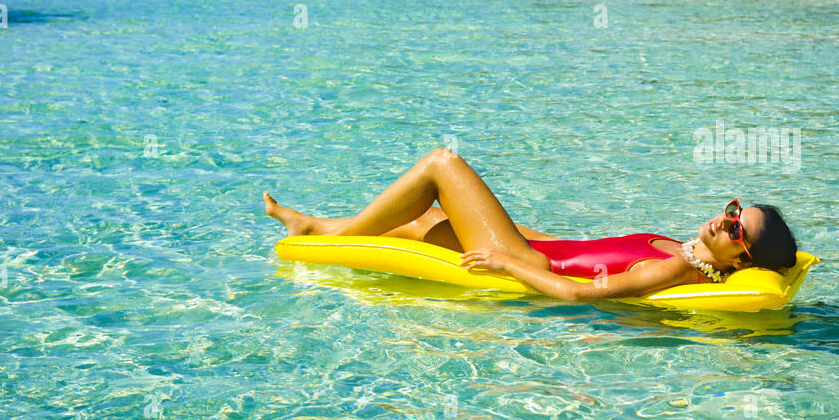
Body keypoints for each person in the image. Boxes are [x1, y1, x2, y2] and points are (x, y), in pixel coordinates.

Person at [263, 147, 799, 302]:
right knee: (427, 218)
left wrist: (504, 260)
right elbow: (593, 251)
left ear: (742, 259)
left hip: (528, 262)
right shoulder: (686, 247)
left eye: (736, 229)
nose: (726, 219)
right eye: (733, 209)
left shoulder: (677, 271)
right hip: (539, 244)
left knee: (441, 165)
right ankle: (316, 228)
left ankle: (321, 231)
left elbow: (576, 294)